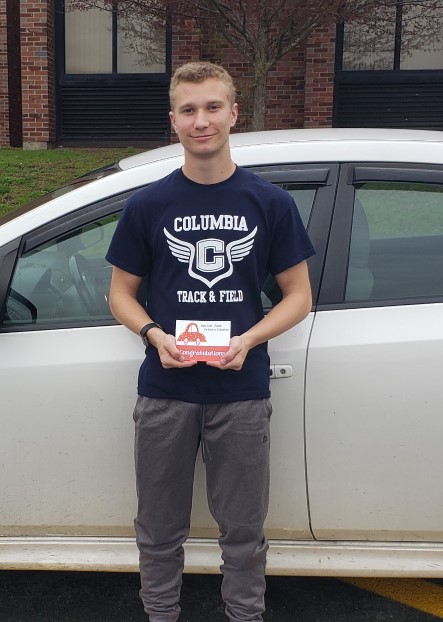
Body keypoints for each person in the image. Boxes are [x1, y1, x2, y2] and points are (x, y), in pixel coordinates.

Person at [105, 61, 315, 622]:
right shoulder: (147, 205)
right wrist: (152, 334)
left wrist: (250, 337)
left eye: (213, 107)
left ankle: (244, 615)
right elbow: (119, 294)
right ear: (173, 120)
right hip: (165, 390)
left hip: (240, 390)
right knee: (158, 527)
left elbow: (299, 295)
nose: (203, 121)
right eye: (190, 110)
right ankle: (160, 614)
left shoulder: (269, 204)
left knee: (244, 529)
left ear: (233, 114)